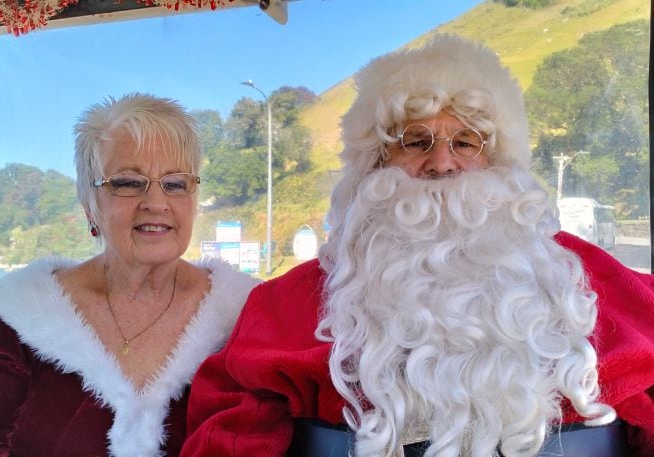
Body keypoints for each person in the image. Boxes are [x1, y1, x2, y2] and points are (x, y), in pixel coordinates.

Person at [180, 35, 654, 457]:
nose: (442, 163)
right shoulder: (287, 305)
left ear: (498, 160)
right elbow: (233, 436)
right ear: (376, 163)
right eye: (415, 141)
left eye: (466, 142)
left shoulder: (590, 281)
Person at [0, 93, 260, 456]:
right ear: (90, 205)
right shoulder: (23, 322)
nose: (156, 202)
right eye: (127, 182)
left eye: (175, 183)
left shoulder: (246, 318)